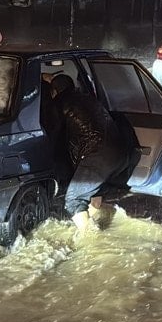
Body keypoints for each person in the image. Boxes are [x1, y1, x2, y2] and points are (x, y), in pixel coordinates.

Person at [51, 74, 135, 233]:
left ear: (55, 91)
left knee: (74, 199)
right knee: (93, 192)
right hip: (120, 153)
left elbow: (54, 134)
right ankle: (94, 225)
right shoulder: (88, 98)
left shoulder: (60, 102)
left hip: (97, 155)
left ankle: (92, 240)